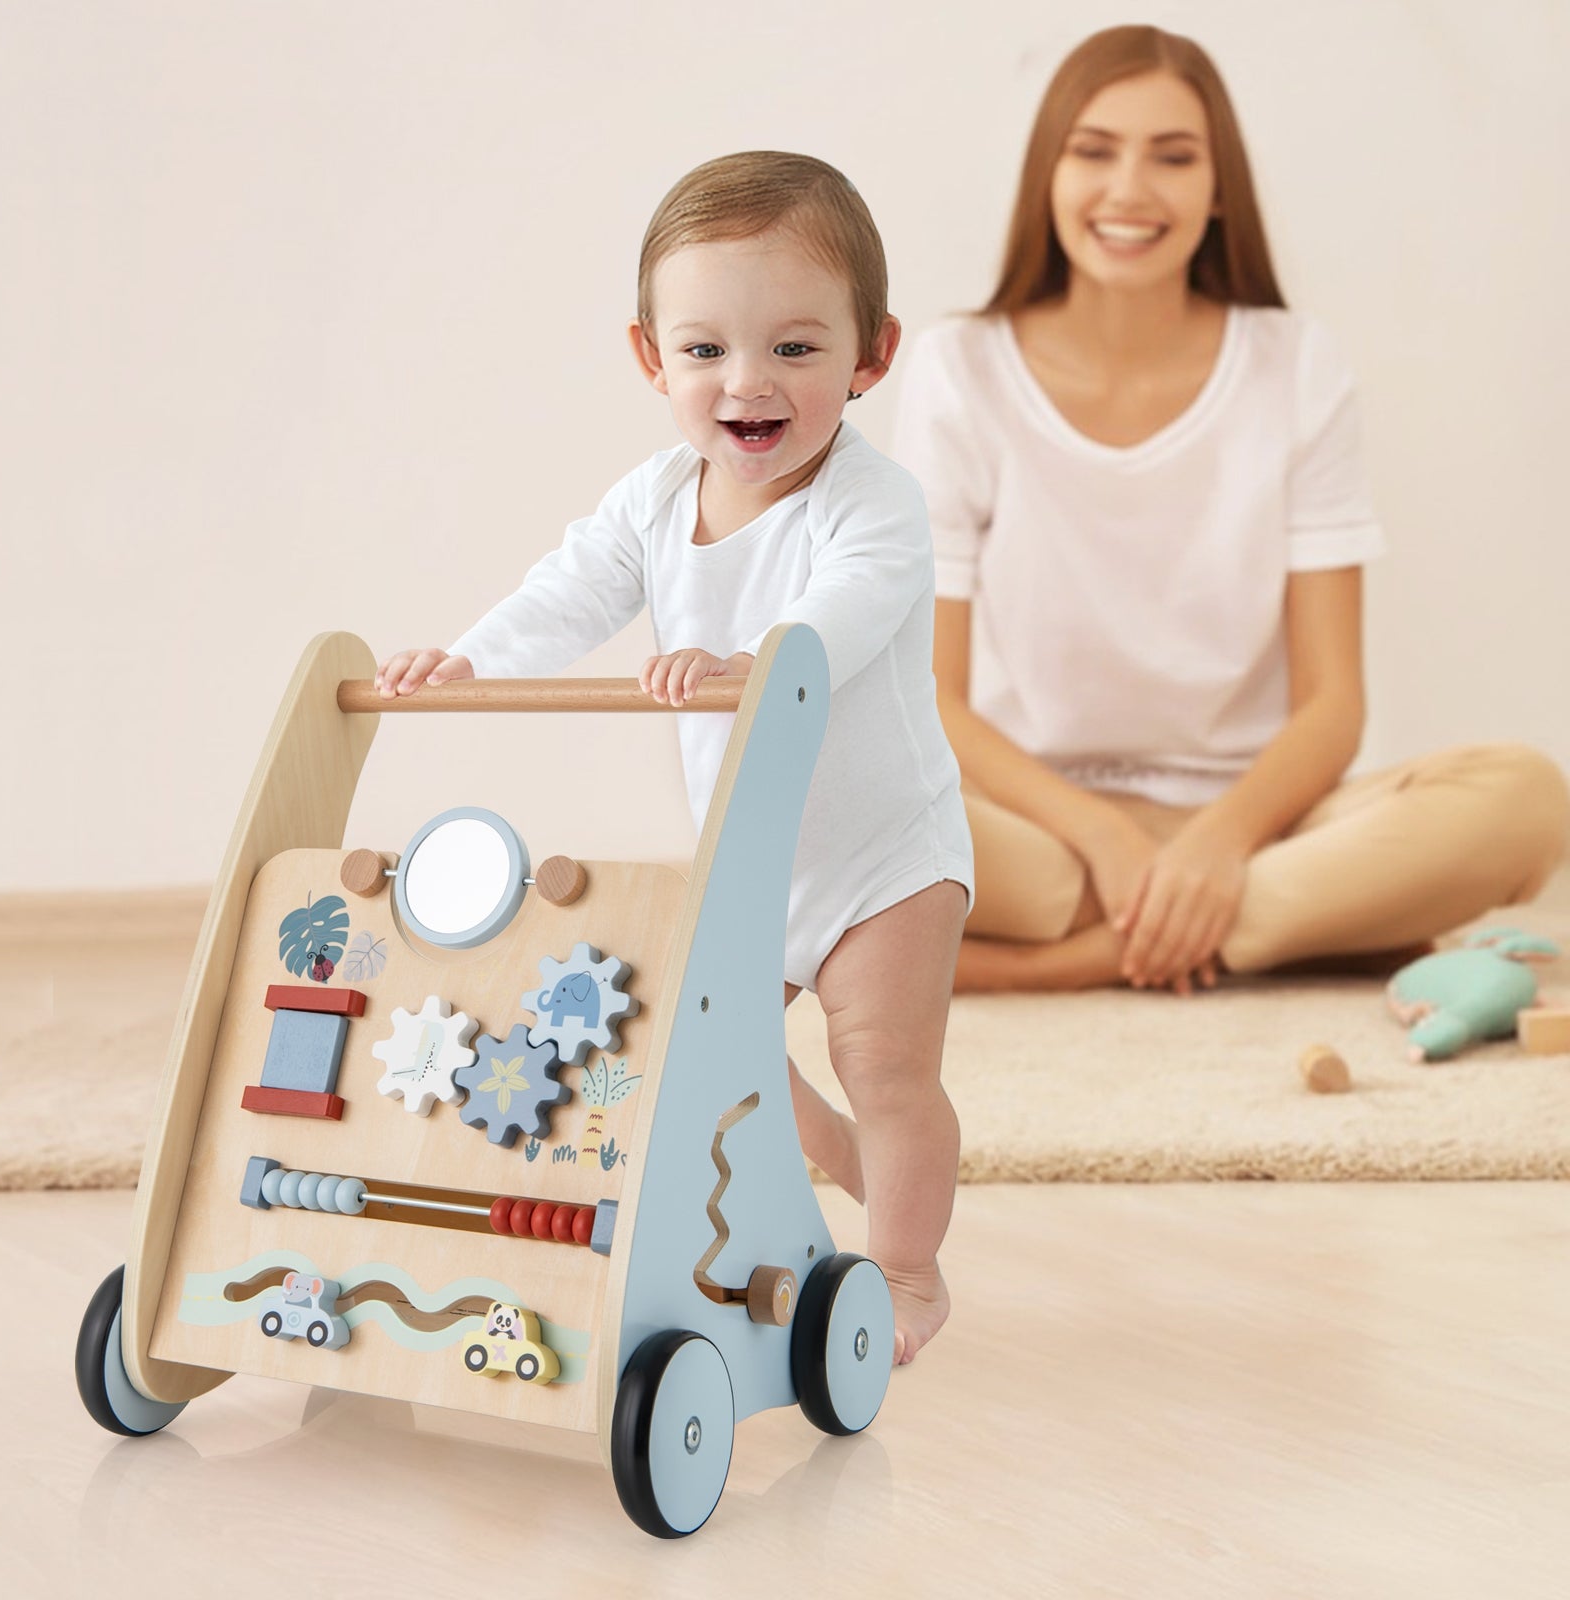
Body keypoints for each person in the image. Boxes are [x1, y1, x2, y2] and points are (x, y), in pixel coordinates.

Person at [376, 152, 973, 1363]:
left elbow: (850, 610)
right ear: (653, 359)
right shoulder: (652, 503)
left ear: (872, 355)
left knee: (883, 1061)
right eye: (706, 351)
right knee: (714, 1050)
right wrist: (477, 662)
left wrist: (746, 655)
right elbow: (569, 593)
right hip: (754, 854)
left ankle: (905, 1272)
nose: (747, 382)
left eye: (796, 350)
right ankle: (838, 1163)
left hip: (887, 859)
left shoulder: (872, 504)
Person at [891, 25, 1568, 996]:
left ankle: (1093, 952)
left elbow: (1333, 706)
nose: (1129, 189)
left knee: (1525, 798)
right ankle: (1283, 929)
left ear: (1218, 192)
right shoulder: (961, 368)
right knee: (801, 794)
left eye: (1173, 157)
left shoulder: (1294, 365)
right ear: (1047, 173)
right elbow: (935, 701)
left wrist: (1216, 843)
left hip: (1258, 827)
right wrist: (1102, 834)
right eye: (1093, 151)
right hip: (1036, 836)